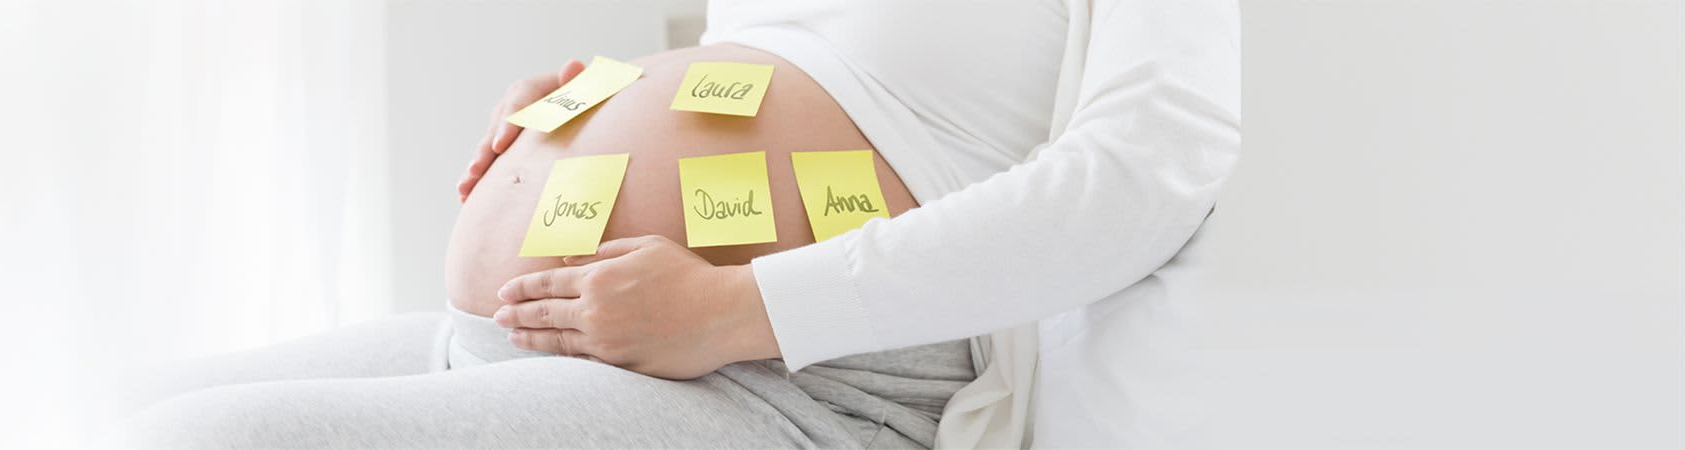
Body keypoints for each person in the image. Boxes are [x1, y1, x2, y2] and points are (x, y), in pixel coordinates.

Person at [111, 0, 1238, 448]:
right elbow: (777, 83)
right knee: (100, 401)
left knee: (201, 443)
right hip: (551, 327)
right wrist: (585, 106)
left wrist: (737, 306)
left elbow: (1148, 174)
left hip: (801, 382)